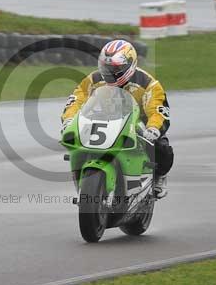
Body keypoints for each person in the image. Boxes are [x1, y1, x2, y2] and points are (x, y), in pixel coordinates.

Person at [60, 39, 173, 199]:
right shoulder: (93, 79)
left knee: (162, 147)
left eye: (116, 68)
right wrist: (69, 119)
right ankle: (83, 176)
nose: (109, 72)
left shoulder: (149, 83)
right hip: (102, 120)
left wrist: (153, 128)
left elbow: (158, 109)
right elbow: (77, 99)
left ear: (130, 65)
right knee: (74, 141)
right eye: (106, 67)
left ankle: (159, 178)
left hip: (136, 124)